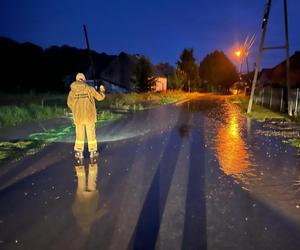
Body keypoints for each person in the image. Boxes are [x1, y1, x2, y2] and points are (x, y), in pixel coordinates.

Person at [67, 73, 105, 159]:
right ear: (84, 79)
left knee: (79, 134)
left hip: (78, 116)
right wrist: (102, 90)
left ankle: (80, 153)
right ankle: (92, 152)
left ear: (77, 80)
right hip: (89, 116)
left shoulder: (72, 91)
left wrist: (76, 110)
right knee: (91, 133)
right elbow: (100, 98)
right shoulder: (89, 89)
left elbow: (69, 103)